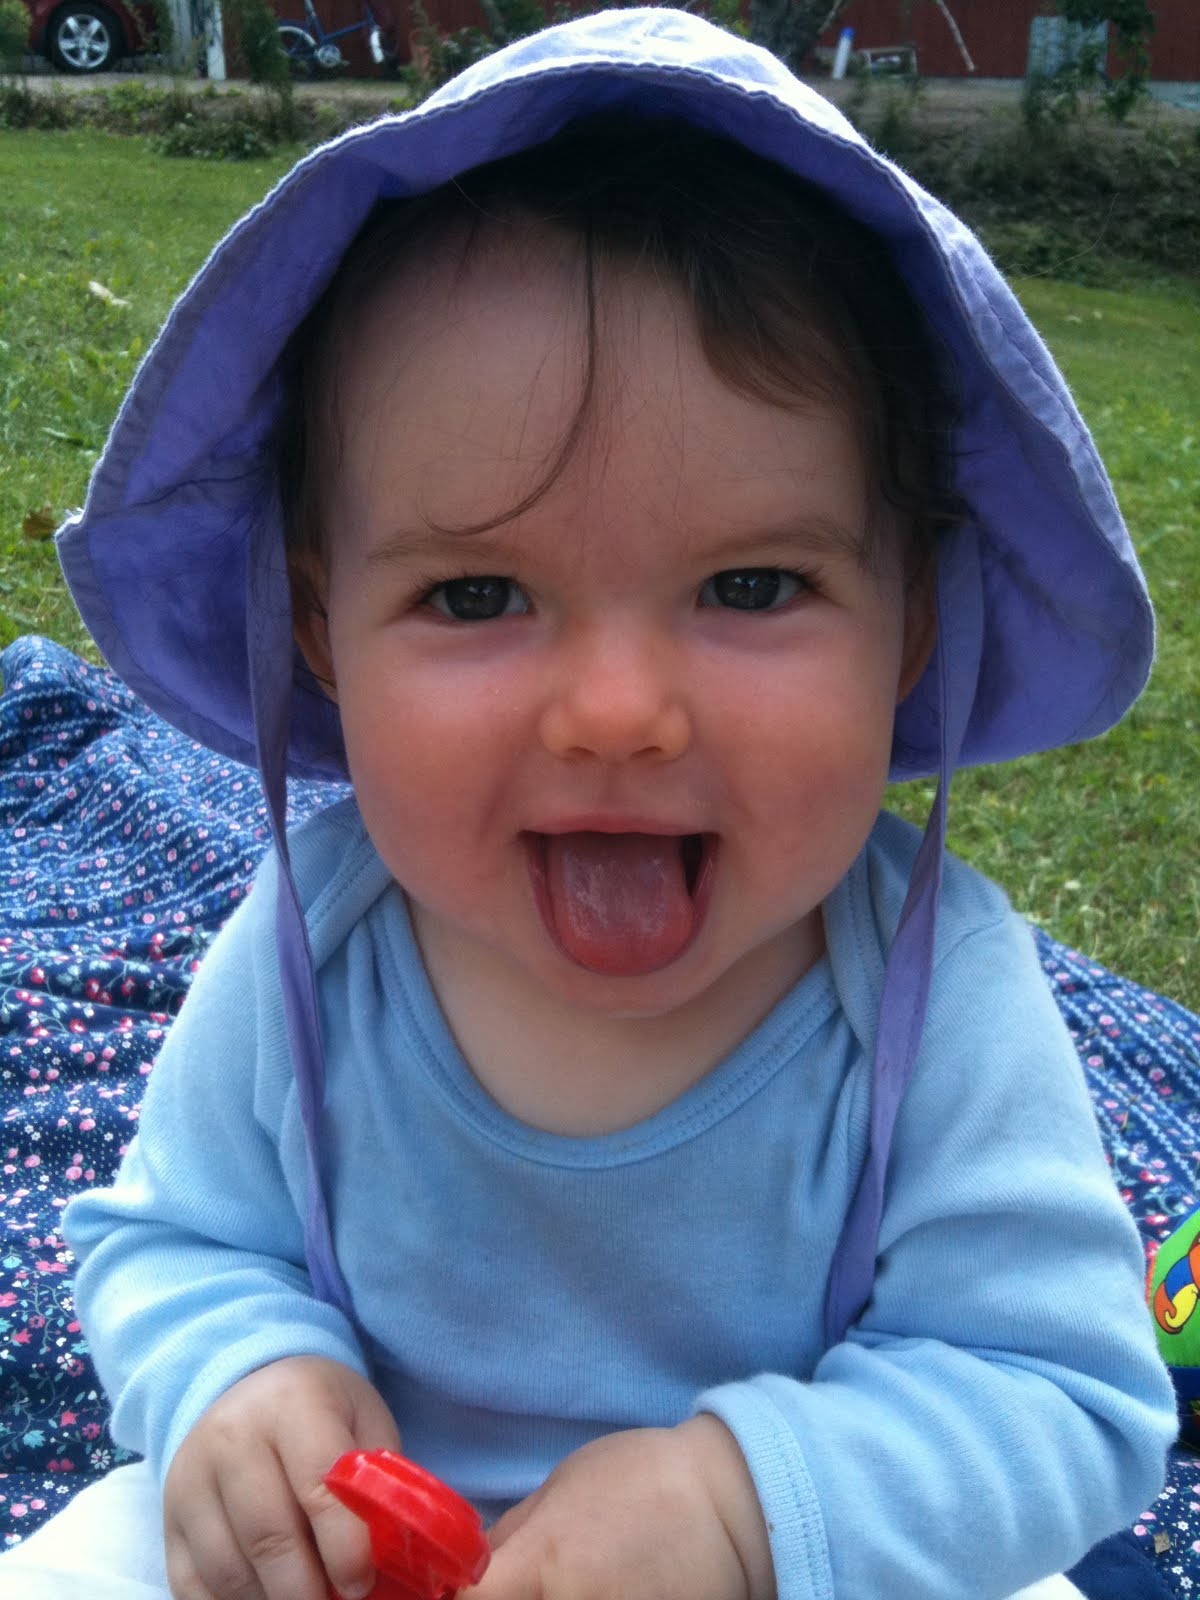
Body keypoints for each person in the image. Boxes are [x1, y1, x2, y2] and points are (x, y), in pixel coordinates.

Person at [0, 9, 1175, 1600]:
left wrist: (746, 1511)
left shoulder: (929, 993)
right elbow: (171, 1240)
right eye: (477, 593)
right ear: (321, 635)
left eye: (750, 586)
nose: (618, 713)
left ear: (911, 627)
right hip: (363, 1555)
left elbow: (1063, 1398)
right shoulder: (316, 941)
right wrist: (238, 1373)